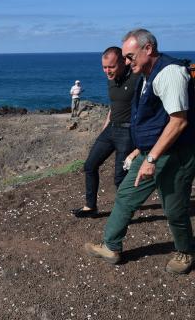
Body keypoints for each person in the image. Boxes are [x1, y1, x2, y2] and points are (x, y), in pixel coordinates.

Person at [84, 28, 195, 274]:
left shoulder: (170, 73)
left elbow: (178, 122)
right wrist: (140, 151)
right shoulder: (146, 74)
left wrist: (151, 157)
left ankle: (186, 252)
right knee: (126, 196)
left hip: (177, 154)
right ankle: (111, 246)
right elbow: (152, 118)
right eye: (124, 57)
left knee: (174, 207)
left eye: (129, 56)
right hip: (151, 151)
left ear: (148, 49)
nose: (126, 62)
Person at [71, 47, 139, 217]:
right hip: (111, 129)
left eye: (111, 67)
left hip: (128, 132)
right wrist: (105, 128)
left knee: (120, 177)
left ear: (124, 62)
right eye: (104, 67)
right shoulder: (111, 79)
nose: (107, 71)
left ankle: (125, 212)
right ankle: (90, 206)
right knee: (89, 166)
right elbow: (114, 105)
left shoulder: (137, 77)